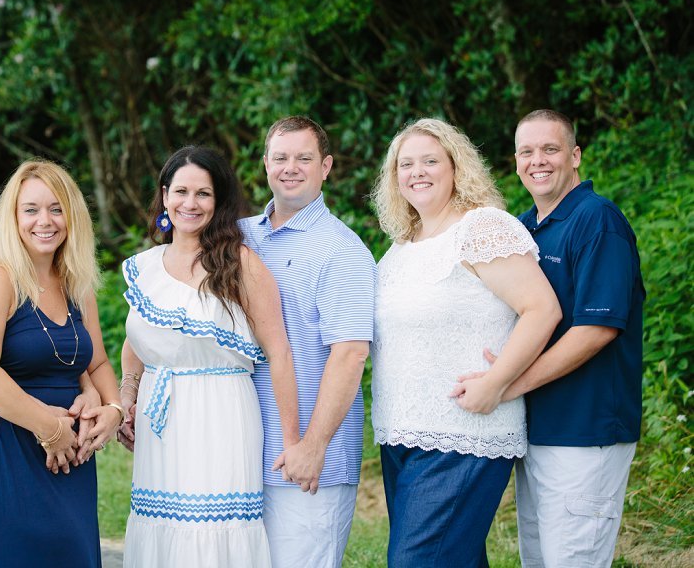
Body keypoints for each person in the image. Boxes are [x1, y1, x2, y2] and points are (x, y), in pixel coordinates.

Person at [371, 118, 562, 567]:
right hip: (400, 434)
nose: (417, 171)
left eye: (430, 161)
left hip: (463, 432)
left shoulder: (482, 228)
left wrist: (496, 381)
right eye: (406, 164)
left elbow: (542, 309)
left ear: (457, 167)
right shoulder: (400, 247)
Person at [459, 109, 644, 567]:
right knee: (538, 559)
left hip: (586, 428)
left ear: (575, 155)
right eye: (527, 151)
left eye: (550, 149)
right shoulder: (523, 228)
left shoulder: (598, 221)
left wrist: (506, 385)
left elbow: (596, 330)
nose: (537, 161)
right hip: (536, 428)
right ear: (516, 160)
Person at [118, 146, 299, 568]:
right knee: (161, 524)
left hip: (221, 412)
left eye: (203, 193)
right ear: (165, 196)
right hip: (159, 421)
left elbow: (280, 353)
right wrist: (129, 392)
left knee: (213, 528)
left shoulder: (240, 264)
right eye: (181, 191)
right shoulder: (144, 267)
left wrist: (294, 441)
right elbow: (137, 341)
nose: (190, 203)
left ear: (218, 202)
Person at [0, 159, 123, 567]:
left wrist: (113, 410)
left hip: (73, 456)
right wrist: (49, 428)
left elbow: (98, 362)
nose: (44, 221)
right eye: (30, 209)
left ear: (72, 215)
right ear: (13, 218)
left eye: (56, 208)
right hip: (10, 449)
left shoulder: (76, 282)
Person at [238, 116, 376, 568]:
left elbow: (351, 354)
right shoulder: (239, 237)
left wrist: (312, 446)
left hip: (307, 461)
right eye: (280, 157)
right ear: (264, 164)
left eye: (304, 158)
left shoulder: (343, 250)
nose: (290, 167)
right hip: (237, 451)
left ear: (326, 166)